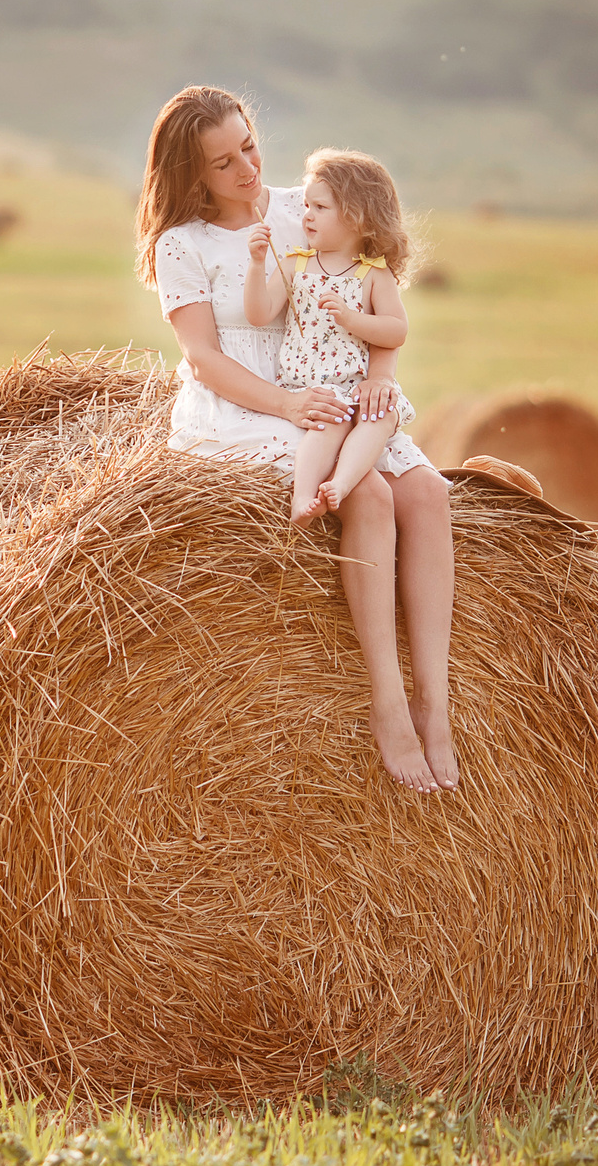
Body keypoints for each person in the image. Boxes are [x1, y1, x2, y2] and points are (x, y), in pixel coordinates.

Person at [136, 87, 458, 792]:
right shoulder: (181, 245)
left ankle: (437, 702)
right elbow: (203, 358)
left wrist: (381, 376)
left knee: (429, 492)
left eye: (248, 145)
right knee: (367, 494)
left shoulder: (302, 204)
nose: (247, 169)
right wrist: (286, 402)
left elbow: (376, 290)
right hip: (245, 403)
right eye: (223, 163)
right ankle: (387, 704)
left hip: (331, 388)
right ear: (192, 175)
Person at [245, 149, 436, 528]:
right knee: (327, 424)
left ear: (357, 217)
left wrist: (351, 318)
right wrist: (255, 264)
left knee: (378, 419)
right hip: (313, 388)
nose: (307, 216)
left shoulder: (373, 275)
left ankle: (340, 484)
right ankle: (303, 497)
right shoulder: (296, 264)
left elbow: (396, 330)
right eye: (306, 205)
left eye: (320, 207)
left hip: (357, 386)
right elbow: (259, 313)